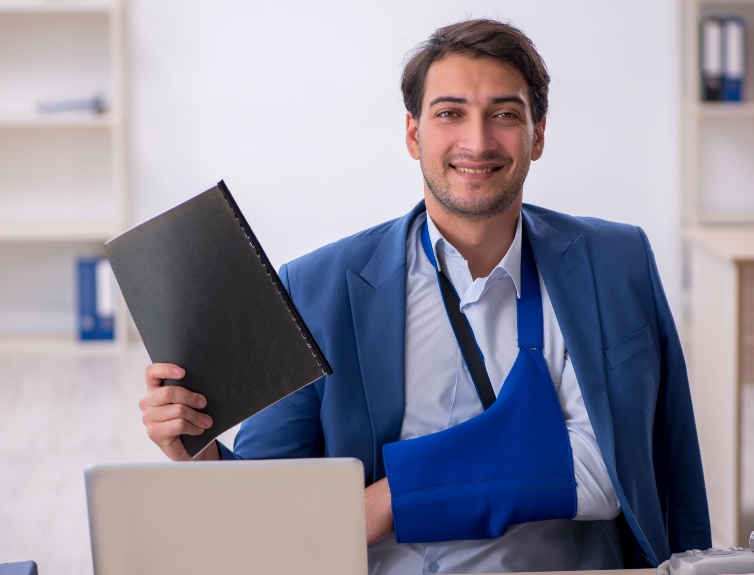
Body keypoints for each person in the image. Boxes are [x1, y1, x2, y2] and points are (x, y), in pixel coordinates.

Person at [139, 18, 711, 574]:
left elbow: (612, 466)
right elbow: (272, 497)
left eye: (505, 114)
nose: (477, 141)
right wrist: (201, 453)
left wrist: (393, 497)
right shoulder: (316, 288)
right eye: (450, 113)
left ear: (537, 135)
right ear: (414, 134)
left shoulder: (614, 263)